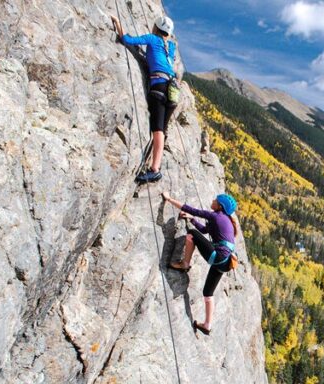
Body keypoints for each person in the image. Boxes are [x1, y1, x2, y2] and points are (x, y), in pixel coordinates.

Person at [110, 14, 179, 183]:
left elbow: (127, 40)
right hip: (173, 91)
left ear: (155, 27)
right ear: (168, 34)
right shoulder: (170, 46)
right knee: (161, 130)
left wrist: (118, 23)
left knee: (157, 130)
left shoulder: (152, 38)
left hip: (159, 87)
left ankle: (155, 169)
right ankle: (155, 165)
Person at [161, 192, 239, 335]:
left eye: (216, 200)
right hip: (224, 263)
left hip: (218, 258)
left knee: (191, 234)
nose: (213, 200)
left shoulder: (216, 216)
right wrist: (192, 220)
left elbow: (191, 209)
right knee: (208, 293)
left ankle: (185, 263)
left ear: (220, 206)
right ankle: (207, 325)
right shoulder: (224, 219)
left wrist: (169, 199)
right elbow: (204, 230)